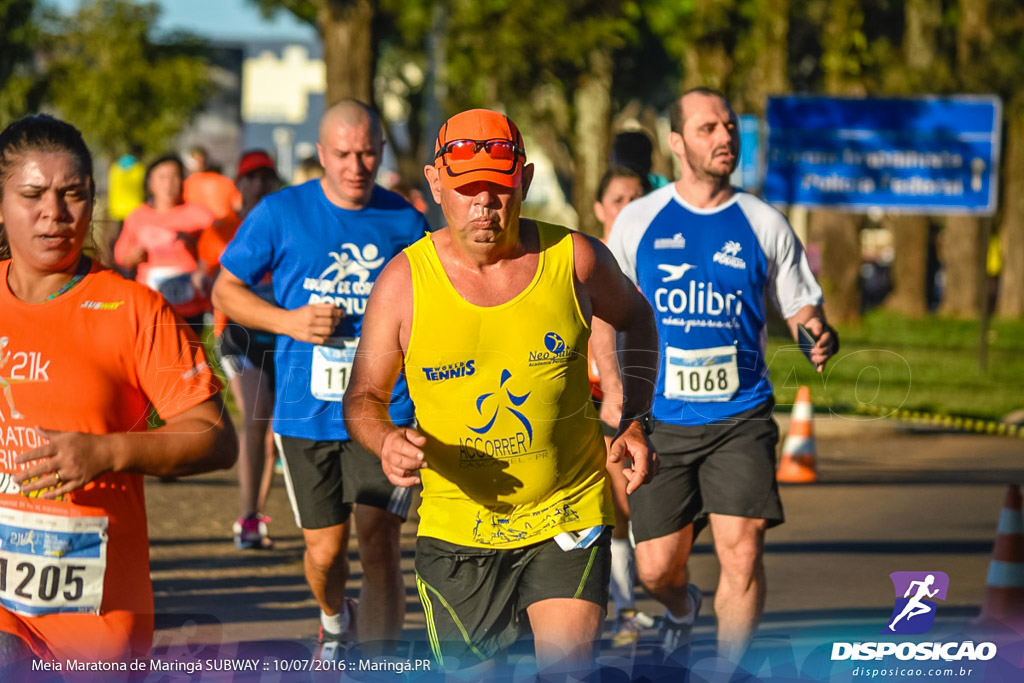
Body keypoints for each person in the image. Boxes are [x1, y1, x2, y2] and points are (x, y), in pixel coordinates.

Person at [342, 108, 660, 676]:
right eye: (468, 189)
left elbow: (635, 317)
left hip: (567, 511)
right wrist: (386, 440)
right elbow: (363, 398)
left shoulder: (575, 259)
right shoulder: (404, 283)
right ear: (436, 184)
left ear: (527, 181)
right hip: (458, 527)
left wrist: (635, 415)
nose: (484, 203)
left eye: (499, 187)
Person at [605, 87, 839, 663]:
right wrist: (615, 395)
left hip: (741, 415)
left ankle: (729, 672)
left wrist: (817, 330)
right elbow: (604, 318)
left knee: (742, 550)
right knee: (657, 568)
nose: (725, 136)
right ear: (678, 142)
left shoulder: (763, 222)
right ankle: (683, 608)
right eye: (708, 128)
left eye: (729, 126)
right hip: (660, 422)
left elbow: (801, 304)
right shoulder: (638, 222)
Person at [0, 114, 236, 671]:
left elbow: (215, 438)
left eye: (73, 195)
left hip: (96, 620)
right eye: (32, 194)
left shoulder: (133, 309)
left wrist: (107, 452)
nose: (54, 214)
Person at [211, 100, 430, 658]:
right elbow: (225, 291)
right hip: (306, 412)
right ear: (322, 153)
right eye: (343, 154)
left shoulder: (405, 220)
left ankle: (378, 664)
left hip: (385, 409)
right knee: (325, 553)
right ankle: (334, 618)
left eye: (368, 153)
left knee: (380, 545)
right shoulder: (281, 213)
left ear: (381, 151)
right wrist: (288, 321)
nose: (357, 165)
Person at [197, 150, 281, 550]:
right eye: (252, 177)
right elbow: (208, 278)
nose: (260, 184)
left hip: (282, 332)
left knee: (269, 432)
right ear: (240, 183)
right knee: (256, 415)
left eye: (267, 177)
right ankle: (247, 515)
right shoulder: (222, 229)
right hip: (238, 334)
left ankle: (254, 515)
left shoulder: (285, 224)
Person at [588, 166, 656, 647]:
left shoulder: (657, 259)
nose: (627, 207)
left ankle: (629, 604)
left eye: (637, 197)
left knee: (623, 506)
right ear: (599, 208)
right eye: (617, 199)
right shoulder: (581, 258)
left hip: (631, 404)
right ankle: (623, 609)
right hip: (579, 403)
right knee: (605, 506)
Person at [113, 154, 215, 335]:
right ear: (150, 183)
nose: (168, 183)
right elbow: (121, 256)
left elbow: (220, 251)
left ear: (183, 180)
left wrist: (198, 249)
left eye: (174, 176)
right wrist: (132, 257)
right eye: (162, 177)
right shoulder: (137, 217)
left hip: (191, 307)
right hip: (150, 304)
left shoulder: (200, 215)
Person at [183, 145, 241, 222]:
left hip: (195, 231)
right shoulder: (226, 182)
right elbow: (239, 206)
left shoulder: (184, 185)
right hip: (226, 230)